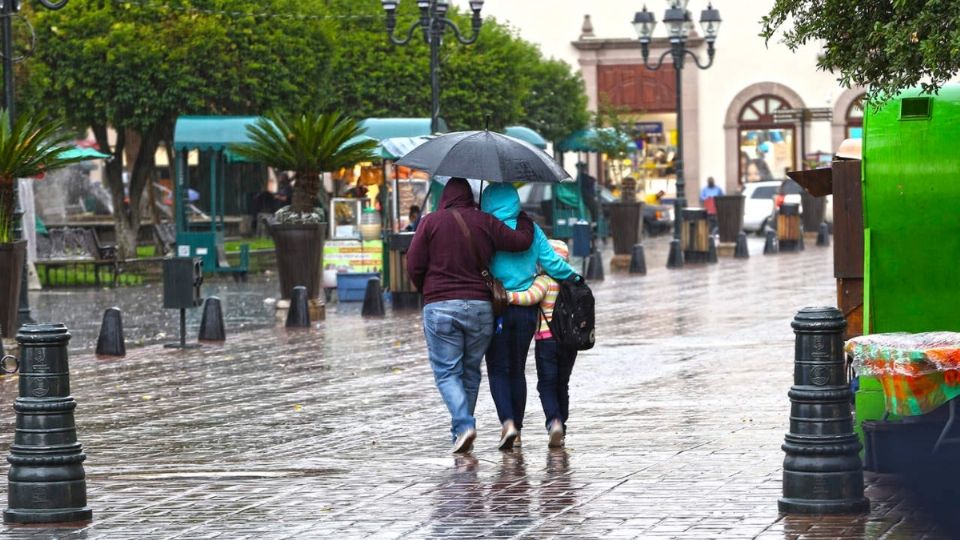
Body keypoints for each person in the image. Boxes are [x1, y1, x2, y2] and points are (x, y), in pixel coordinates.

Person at [406, 178, 535, 454]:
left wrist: (427, 290)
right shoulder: (484, 221)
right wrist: (522, 216)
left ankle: (464, 425)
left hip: (440, 306)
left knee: (446, 372)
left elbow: (414, 263)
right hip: (480, 307)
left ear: (444, 197)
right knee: (470, 371)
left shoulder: (430, 222)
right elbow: (521, 241)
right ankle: (461, 430)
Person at [481, 183, 578, 450]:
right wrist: (576, 277)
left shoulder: (485, 229)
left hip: (497, 307)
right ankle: (519, 429)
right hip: (526, 308)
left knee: (498, 369)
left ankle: (508, 423)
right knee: (517, 369)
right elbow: (552, 263)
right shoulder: (530, 229)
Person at [507, 239, 577, 448]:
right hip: (570, 344)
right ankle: (561, 426)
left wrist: (507, 296)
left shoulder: (545, 281)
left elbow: (530, 297)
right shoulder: (573, 281)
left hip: (547, 342)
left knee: (546, 384)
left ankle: (553, 421)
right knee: (562, 384)